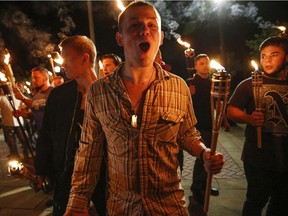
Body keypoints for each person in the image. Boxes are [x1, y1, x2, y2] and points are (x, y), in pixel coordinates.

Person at [64, 1, 224, 215]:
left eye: (152, 26)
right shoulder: (99, 91)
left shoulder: (178, 86)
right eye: (134, 26)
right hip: (122, 207)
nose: (144, 31)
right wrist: (78, 200)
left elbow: (186, 133)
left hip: (169, 206)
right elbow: (88, 151)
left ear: (160, 37)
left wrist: (203, 153)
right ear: (120, 38)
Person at [32, 35, 106, 216]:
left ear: (85, 58)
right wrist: (40, 169)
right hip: (68, 175)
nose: (63, 64)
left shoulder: (109, 93)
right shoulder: (59, 96)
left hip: (105, 177)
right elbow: (47, 134)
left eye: (68, 59)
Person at [227, 36, 288, 216]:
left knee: (282, 201)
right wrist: (249, 118)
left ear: (286, 57)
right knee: (256, 199)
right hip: (258, 156)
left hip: (285, 155)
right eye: (263, 56)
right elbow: (231, 110)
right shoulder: (251, 84)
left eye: (274, 55)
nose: (267, 60)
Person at [187, 54, 230, 206]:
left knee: (210, 156)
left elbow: (218, 103)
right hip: (198, 125)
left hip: (211, 125)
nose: (205, 66)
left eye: (207, 63)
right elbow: (185, 104)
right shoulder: (190, 82)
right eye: (201, 63)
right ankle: (196, 187)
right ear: (196, 66)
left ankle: (205, 184)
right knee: (203, 158)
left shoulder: (214, 82)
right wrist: (190, 94)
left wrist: (224, 120)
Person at [13, 67, 53, 133]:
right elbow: (35, 114)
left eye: (36, 78)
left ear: (45, 78)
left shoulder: (54, 92)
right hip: (41, 134)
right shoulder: (36, 96)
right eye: (32, 78)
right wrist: (22, 114)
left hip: (54, 133)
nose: (33, 80)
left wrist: (22, 98)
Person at [0, 86, 30, 161]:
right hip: (7, 123)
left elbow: (24, 106)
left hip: (19, 122)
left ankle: (26, 154)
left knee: (24, 139)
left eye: (9, 88)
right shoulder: (1, 98)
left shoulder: (18, 97)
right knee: (11, 142)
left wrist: (23, 112)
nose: (9, 89)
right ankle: (15, 157)